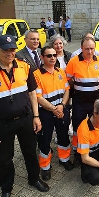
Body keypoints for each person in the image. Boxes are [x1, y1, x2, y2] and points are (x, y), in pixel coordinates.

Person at [0, 35, 49, 197]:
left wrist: (36, 116)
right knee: (5, 159)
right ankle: (6, 189)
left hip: (25, 120)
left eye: (12, 49)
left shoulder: (24, 67)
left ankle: (34, 179)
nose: (10, 53)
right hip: (2, 124)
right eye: (5, 49)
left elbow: (32, 93)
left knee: (30, 152)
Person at [66, 36, 99, 164]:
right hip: (79, 100)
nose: (89, 52)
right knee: (78, 128)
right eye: (87, 49)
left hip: (94, 101)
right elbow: (69, 79)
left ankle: (91, 150)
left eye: (92, 48)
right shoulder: (73, 61)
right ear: (81, 49)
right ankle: (77, 153)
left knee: (92, 126)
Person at [34, 46, 73, 180]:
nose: (52, 58)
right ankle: (45, 167)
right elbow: (38, 97)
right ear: (42, 57)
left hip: (62, 110)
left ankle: (64, 159)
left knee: (63, 135)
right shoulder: (36, 75)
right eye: (49, 55)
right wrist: (54, 109)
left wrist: (62, 106)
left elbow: (67, 90)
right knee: (45, 140)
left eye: (54, 55)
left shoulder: (61, 72)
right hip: (46, 113)